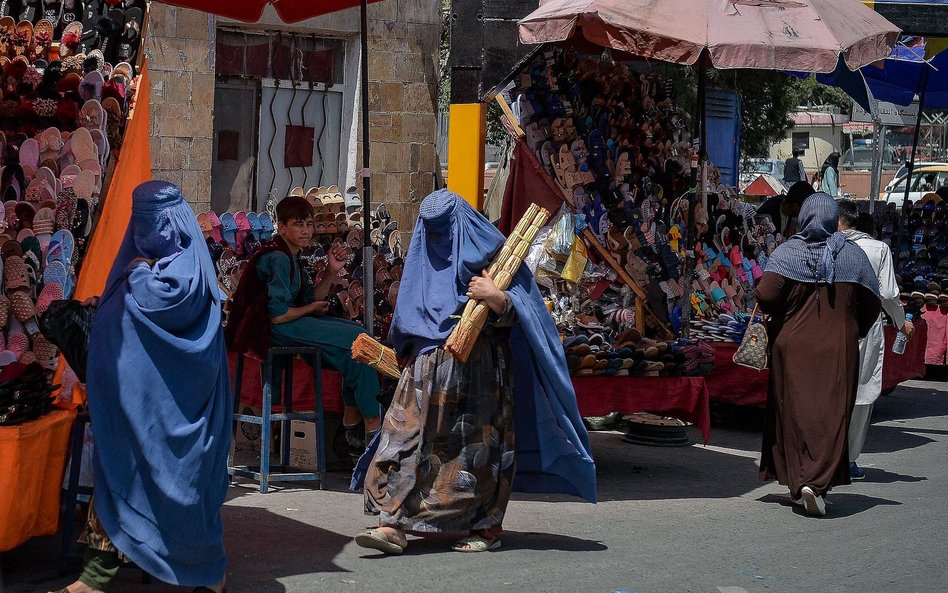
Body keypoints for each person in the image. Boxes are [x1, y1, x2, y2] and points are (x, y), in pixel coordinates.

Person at [354, 189, 596, 554]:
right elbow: (407, 315)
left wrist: (495, 297)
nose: (440, 240)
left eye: (445, 230)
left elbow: (529, 314)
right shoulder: (423, 258)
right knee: (404, 441)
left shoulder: (495, 255)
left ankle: (485, 528)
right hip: (424, 375)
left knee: (474, 454)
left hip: (481, 376)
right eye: (431, 231)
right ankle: (392, 524)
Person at [55, 181, 231, 593]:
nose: (143, 230)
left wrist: (134, 275)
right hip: (144, 412)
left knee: (176, 483)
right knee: (121, 469)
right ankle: (96, 578)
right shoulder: (151, 272)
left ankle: (207, 571)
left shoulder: (173, 274)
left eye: (150, 221)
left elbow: (166, 310)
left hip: (188, 413)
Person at [756, 192, 881, 517]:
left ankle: (799, 482)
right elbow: (872, 305)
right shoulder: (853, 256)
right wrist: (852, 328)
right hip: (837, 350)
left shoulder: (788, 252)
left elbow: (766, 295)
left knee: (792, 413)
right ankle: (815, 484)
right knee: (830, 414)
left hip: (791, 349)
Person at [226, 196, 381, 455]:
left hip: (288, 323)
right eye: (299, 224)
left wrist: (331, 271)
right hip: (272, 329)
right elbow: (278, 315)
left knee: (357, 349)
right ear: (282, 227)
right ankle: (368, 425)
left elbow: (312, 298)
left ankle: (354, 425)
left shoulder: (292, 257)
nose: (307, 230)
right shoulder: (278, 257)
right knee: (358, 339)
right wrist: (310, 309)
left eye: (309, 224)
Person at [838, 200, 914, 480]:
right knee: (861, 393)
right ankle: (848, 459)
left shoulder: (825, 244)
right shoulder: (877, 249)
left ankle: (828, 455)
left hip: (829, 326)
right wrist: (901, 321)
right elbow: (889, 294)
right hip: (865, 328)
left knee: (833, 390)